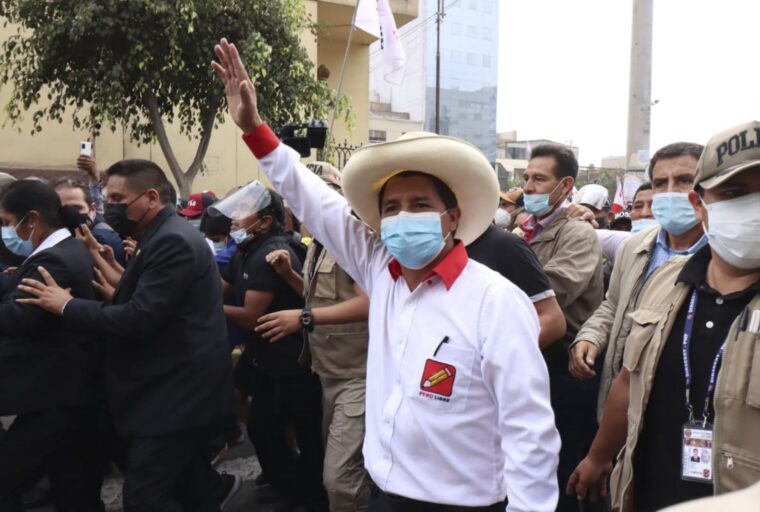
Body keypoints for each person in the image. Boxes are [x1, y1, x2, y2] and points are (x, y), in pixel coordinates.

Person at [212, 37, 559, 511]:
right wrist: (255, 130)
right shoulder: (382, 271)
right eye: (391, 208)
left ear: (452, 217)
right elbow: (313, 196)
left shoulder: (495, 301)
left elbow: (529, 432)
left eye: (420, 205)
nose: (402, 217)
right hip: (385, 495)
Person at [566, 121, 760, 511]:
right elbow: (630, 377)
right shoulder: (666, 279)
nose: (756, 208)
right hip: (649, 490)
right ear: (701, 205)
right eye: (734, 193)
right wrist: (599, 455)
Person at [17, 159, 239, 512]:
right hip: (168, 390)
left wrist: (66, 305)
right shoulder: (159, 235)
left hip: (176, 393)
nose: (112, 206)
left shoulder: (172, 241)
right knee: (184, 484)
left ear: (151, 197)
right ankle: (215, 491)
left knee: (143, 497)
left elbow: (140, 317)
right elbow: (152, 300)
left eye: (118, 197)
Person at [256, 161, 371, 512]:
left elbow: (371, 302)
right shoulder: (318, 244)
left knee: (340, 480)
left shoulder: (352, 242)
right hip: (329, 372)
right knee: (341, 469)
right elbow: (322, 295)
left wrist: (305, 318)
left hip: (359, 375)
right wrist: (289, 274)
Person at [569, 143, 707, 419]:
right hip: (625, 398)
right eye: (660, 183)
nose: (670, 191)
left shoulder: (725, 254)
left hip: (688, 403)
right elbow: (613, 305)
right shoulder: (634, 247)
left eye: (683, 181)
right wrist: (591, 336)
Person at [214, 183, 327, 511]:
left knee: (303, 433)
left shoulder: (270, 252)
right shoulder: (245, 251)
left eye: (243, 210)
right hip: (267, 363)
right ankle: (292, 486)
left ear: (264, 222)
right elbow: (219, 289)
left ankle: (311, 496)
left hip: (292, 365)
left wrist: (201, 308)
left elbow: (251, 317)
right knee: (265, 430)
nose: (233, 219)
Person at [0, 180, 103, 511]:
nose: (5, 231)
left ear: (31, 219)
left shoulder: (53, 260)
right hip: (68, 391)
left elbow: (20, 318)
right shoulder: (62, 250)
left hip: (56, 393)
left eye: (6, 223)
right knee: (73, 485)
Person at [520, 143, 603, 511]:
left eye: (539, 178)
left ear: (565, 185)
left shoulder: (578, 234)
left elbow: (554, 290)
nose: (528, 186)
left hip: (566, 364)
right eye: (526, 178)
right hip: (533, 358)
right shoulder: (527, 228)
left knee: (564, 462)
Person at [466, 224, 566, 347]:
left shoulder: (505, 245)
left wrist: (494, 356)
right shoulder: (438, 254)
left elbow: (553, 321)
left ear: (454, 215)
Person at [53, 178, 126, 264]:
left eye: (76, 208)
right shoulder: (95, 227)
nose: (70, 214)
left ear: (92, 209)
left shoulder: (98, 239)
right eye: (61, 209)